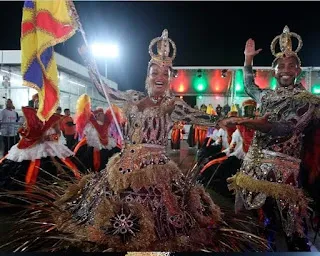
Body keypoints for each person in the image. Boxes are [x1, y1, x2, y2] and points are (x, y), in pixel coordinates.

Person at [2, 29, 267, 252]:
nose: (160, 77)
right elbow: (104, 89)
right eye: (155, 72)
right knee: (114, 225)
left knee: (162, 227)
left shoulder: (173, 105)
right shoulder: (131, 98)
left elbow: (203, 119)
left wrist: (226, 121)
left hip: (159, 171)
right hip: (123, 168)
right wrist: (89, 60)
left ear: (171, 77)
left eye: (166, 72)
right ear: (147, 75)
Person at [227, 26, 320, 251]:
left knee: (292, 231)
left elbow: (287, 127)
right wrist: (247, 60)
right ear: (274, 71)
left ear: (298, 70)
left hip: (284, 174)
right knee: (253, 228)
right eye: (281, 66)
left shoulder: (307, 100)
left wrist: (260, 125)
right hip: (253, 170)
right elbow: (249, 86)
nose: (285, 70)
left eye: (291, 66)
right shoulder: (266, 96)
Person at [0, 106, 82, 192]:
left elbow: (57, 135)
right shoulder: (33, 118)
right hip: (32, 148)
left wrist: (46, 138)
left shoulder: (53, 119)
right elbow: (26, 132)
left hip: (49, 149)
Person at [73, 94, 123, 173]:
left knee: (116, 154)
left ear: (104, 115)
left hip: (107, 144)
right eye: (96, 115)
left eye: (100, 114)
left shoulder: (107, 121)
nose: (97, 116)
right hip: (94, 144)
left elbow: (114, 110)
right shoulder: (93, 122)